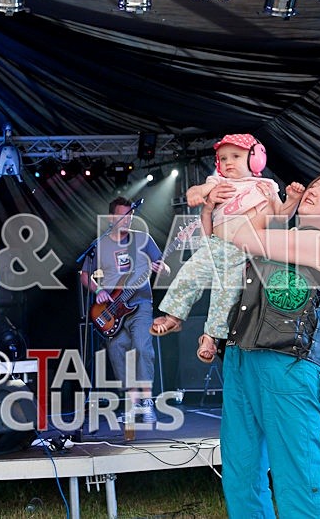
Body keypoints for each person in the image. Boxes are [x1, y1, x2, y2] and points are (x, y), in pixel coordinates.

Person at [216, 171, 320, 518]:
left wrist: (280, 207)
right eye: (312, 186)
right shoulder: (287, 235)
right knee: (241, 477)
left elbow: (243, 235)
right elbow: (225, 236)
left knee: (298, 483)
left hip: (289, 368)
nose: (312, 192)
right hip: (241, 360)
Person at [149, 134, 305, 363]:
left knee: (226, 295)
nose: (228, 162)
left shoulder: (266, 186)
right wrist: (196, 194)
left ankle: (211, 337)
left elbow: (281, 216)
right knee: (188, 274)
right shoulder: (219, 183)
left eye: (236, 156)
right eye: (223, 158)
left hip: (245, 251)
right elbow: (196, 190)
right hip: (216, 245)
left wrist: (293, 199)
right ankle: (174, 316)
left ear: (256, 159)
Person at [80, 197, 169, 423]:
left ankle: (147, 404)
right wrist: (98, 289)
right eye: (122, 215)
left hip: (140, 303)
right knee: (118, 351)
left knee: (142, 346)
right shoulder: (100, 245)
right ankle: (133, 404)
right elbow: (83, 275)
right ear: (112, 218)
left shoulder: (143, 239)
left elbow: (164, 267)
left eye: (130, 215)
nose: (127, 219)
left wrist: (162, 268)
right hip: (112, 309)